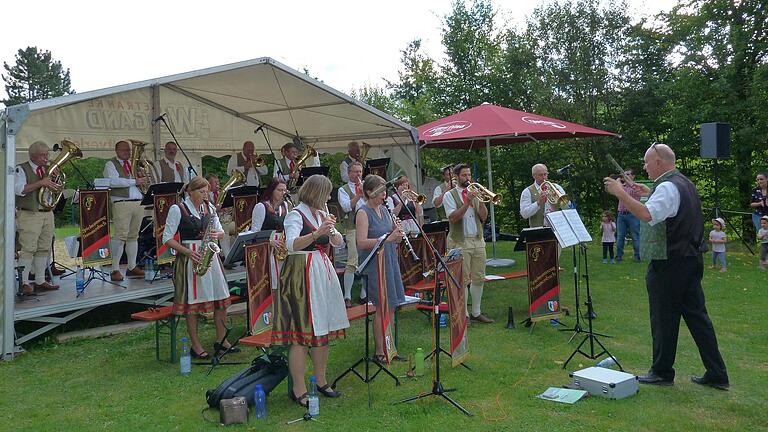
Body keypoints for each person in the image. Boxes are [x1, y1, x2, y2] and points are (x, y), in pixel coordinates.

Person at [604, 142, 729, 390]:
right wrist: (644, 191)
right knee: (697, 317)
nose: (644, 166)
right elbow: (665, 206)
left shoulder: (668, 187)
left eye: (646, 162)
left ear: (659, 162)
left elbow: (648, 215)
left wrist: (621, 192)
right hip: (690, 259)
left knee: (663, 317)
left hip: (670, 262)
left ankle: (662, 372)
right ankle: (717, 373)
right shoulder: (683, 182)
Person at [271, 174, 349, 407]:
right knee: (301, 334)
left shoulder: (320, 213)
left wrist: (332, 231)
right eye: (326, 193)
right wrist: (317, 233)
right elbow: (292, 244)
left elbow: (338, 243)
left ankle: (322, 380)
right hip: (301, 271)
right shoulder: (296, 214)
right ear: (316, 193)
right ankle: (299, 388)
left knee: (322, 329)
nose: (328, 198)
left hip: (321, 269)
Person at [162, 176, 235, 359]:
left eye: (206, 192)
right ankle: (195, 345)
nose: (205, 195)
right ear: (190, 191)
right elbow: (167, 238)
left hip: (210, 255)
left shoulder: (209, 208)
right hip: (190, 256)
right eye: (201, 192)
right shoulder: (177, 209)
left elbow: (221, 232)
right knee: (192, 304)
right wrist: (187, 252)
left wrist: (218, 233)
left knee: (221, 297)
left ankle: (221, 340)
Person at [357, 174, 407, 361]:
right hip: (374, 264)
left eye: (385, 191)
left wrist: (398, 236)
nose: (384, 195)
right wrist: (387, 239)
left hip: (389, 260)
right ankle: (380, 351)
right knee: (380, 307)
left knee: (391, 305)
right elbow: (361, 243)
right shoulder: (363, 212)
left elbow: (392, 235)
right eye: (379, 191)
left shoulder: (386, 210)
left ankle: (390, 347)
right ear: (369, 192)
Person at [443, 163, 493, 323]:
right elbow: (452, 218)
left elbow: (484, 217)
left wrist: (480, 200)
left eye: (469, 175)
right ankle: (463, 314)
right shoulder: (450, 195)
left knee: (479, 277)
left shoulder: (474, 193)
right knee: (462, 279)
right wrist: (466, 203)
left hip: (477, 239)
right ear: (456, 177)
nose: (468, 178)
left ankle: (476, 312)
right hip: (460, 241)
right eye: (464, 175)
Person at [14, 141, 61, 294]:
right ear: (32, 155)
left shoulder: (48, 170)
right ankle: (24, 282)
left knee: (44, 248)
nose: (46, 158)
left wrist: (56, 179)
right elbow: (19, 189)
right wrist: (41, 182)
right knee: (28, 248)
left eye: (47, 154)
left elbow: (57, 190)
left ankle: (40, 280)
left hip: (47, 212)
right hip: (29, 213)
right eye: (42, 155)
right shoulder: (21, 169)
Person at [104, 140, 148, 281]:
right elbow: (113, 181)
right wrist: (135, 181)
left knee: (133, 236)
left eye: (129, 150)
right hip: (121, 203)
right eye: (124, 150)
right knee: (121, 236)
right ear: (116, 151)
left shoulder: (134, 165)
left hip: (138, 202)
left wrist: (144, 179)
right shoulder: (110, 164)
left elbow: (141, 181)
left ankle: (131, 266)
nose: (127, 153)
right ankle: (115, 269)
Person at [337, 162, 366, 307]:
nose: (358, 175)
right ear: (349, 173)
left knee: (367, 258)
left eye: (360, 172)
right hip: (352, 228)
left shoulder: (367, 186)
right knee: (353, 259)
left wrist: (365, 193)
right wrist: (358, 195)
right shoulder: (343, 189)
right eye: (355, 172)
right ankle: (347, 296)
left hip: (367, 228)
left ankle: (364, 294)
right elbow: (346, 207)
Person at [615, 169, 642, 262]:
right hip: (621, 215)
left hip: (633, 215)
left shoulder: (636, 187)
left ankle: (638, 256)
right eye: (624, 174)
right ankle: (618, 256)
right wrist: (618, 181)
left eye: (628, 174)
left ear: (633, 176)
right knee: (620, 236)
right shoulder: (621, 186)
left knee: (635, 236)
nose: (625, 176)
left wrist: (619, 182)